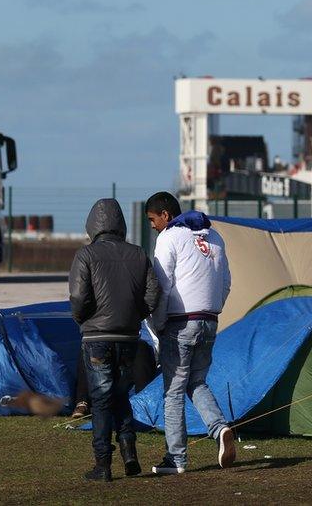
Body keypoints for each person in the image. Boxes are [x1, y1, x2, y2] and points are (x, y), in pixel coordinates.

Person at [69, 198, 160, 482]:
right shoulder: (139, 254)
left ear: (92, 225)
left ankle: (103, 464)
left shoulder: (86, 255)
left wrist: (84, 320)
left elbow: (78, 297)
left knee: (100, 400)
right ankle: (130, 455)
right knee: (121, 395)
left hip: (96, 337)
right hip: (129, 336)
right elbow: (153, 294)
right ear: (120, 223)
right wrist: (135, 315)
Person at [145, 191, 235, 475]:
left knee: (172, 392)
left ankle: (176, 458)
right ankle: (220, 429)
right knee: (196, 382)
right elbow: (226, 281)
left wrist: (157, 324)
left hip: (180, 322)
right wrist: (213, 309)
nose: (152, 225)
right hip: (209, 320)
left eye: (152, 219)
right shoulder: (215, 237)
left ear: (166, 216)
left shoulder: (169, 238)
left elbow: (162, 285)